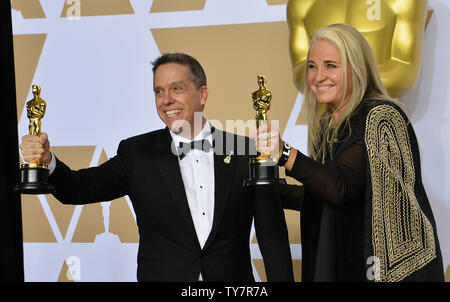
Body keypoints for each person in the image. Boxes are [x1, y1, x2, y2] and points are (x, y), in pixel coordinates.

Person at [19, 53, 294, 282]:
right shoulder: (137, 153)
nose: (166, 100)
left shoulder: (245, 151)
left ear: (203, 94)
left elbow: (272, 237)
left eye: (177, 88)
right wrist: (48, 162)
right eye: (159, 91)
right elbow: (79, 189)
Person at [256, 24, 445, 282]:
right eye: (312, 66)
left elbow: (340, 185)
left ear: (357, 67)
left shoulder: (381, 116)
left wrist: (285, 152)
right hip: (342, 264)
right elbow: (340, 199)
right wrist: (272, 192)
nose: (318, 76)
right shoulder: (328, 124)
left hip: (380, 273)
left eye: (331, 65)